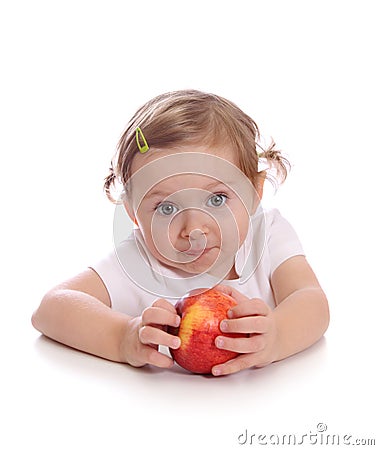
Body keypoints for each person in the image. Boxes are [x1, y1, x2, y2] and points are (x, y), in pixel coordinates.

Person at [32, 90, 329, 376]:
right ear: (133, 213)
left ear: (255, 192)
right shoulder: (139, 258)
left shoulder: (267, 235)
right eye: (166, 208)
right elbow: (51, 308)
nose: (194, 229)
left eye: (217, 200)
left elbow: (311, 300)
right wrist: (123, 337)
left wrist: (277, 336)